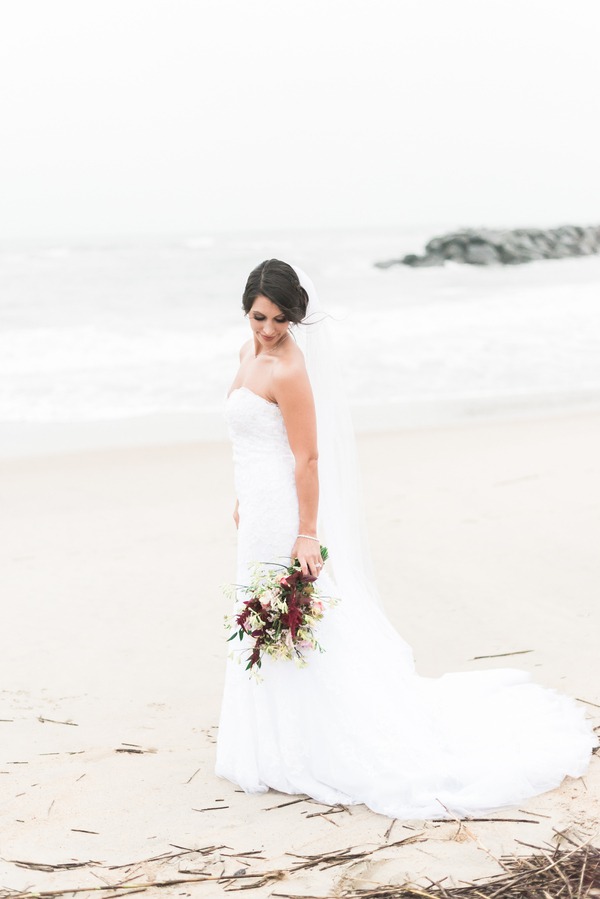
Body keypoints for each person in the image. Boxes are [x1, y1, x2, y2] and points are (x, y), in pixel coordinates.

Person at [216, 258, 596, 819]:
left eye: (278, 319)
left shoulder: (290, 370)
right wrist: (245, 495)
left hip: (288, 515)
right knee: (261, 615)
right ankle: (270, 740)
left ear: (295, 315)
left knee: (297, 619)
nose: (267, 329)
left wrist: (306, 534)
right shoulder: (246, 353)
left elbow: (308, 457)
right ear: (246, 309)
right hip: (259, 507)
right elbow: (251, 437)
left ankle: (313, 742)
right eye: (258, 317)